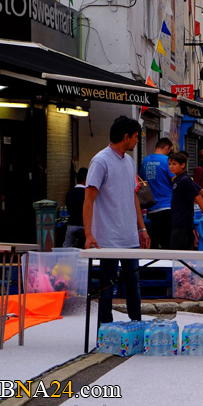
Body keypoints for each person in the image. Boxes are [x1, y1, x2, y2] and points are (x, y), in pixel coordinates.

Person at [83, 116, 149, 323]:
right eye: (136, 137)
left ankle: (136, 325)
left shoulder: (129, 161)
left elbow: (133, 196)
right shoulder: (101, 160)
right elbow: (89, 199)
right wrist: (88, 234)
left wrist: (142, 229)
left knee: (133, 283)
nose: (137, 141)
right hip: (108, 237)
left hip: (129, 235)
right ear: (126, 137)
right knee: (107, 286)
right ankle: (105, 328)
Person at [168, 152, 203, 250]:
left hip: (183, 224)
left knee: (178, 256)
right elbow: (202, 191)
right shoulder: (179, 179)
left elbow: (198, 197)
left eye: (174, 164)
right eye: (170, 164)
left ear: (183, 165)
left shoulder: (185, 180)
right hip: (178, 223)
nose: (171, 167)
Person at [139, 138, 174, 249]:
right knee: (168, 243)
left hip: (152, 207)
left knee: (154, 241)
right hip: (167, 205)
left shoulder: (145, 161)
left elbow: (141, 181)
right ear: (167, 148)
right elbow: (175, 180)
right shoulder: (167, 161)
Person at [63, 168, 89, 248]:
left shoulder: (68, 194)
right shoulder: (88, 194)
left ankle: (65, 259)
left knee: (66, 248)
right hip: (85, 226)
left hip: (72, 226)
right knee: (91, 247)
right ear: (85, 180)